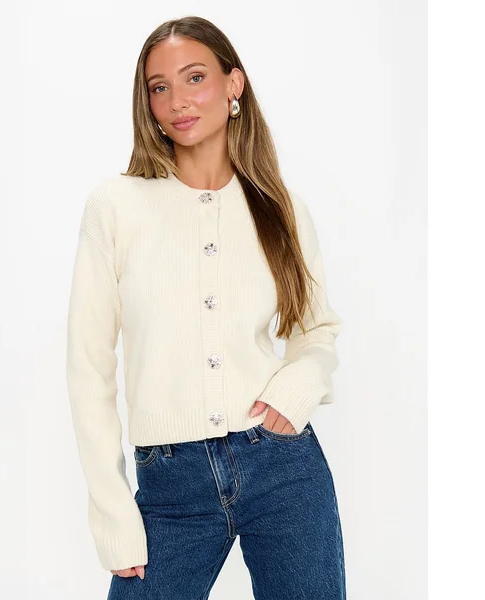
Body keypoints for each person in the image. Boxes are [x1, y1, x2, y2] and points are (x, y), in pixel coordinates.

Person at [66, 15, 346, 600]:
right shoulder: (115, 206)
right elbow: (88, 367)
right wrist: (113, 513)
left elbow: (316, 330)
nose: (177, 100)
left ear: (233, 85)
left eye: (195, 78)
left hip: (283, 467)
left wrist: (297, 389)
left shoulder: (280, 208)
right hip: (170, 486)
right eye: (159, 86)